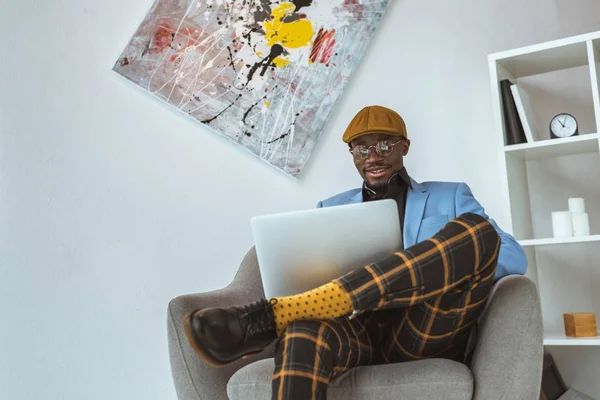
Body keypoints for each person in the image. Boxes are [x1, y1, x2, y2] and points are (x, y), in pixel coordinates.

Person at [183, 105, 527, 400]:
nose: (373, 157)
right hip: (352, 330)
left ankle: (276, 316)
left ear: (404, 146)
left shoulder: (450, 196)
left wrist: (429, 262)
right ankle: (299, 310)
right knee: (303, 331)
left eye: (383, 145)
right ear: (352, 155)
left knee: (478, 232)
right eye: (361, 149)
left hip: (421, 328)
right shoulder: (329, 208)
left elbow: (513, 256)